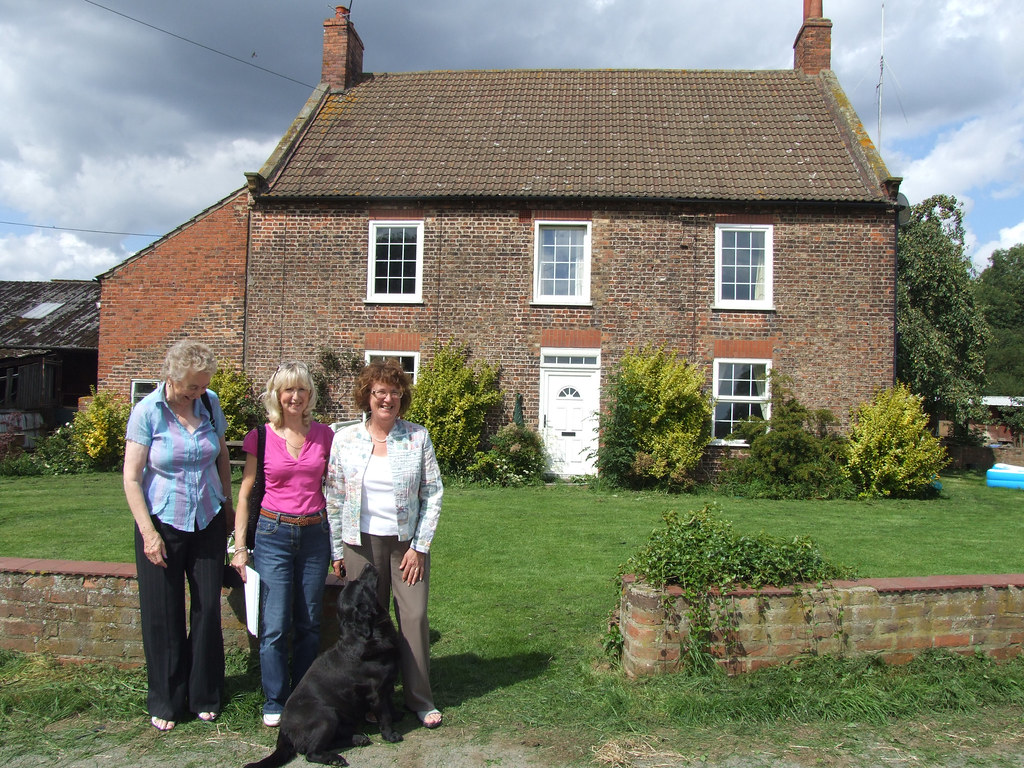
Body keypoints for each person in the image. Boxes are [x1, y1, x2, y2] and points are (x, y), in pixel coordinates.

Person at [326, 358, 444, 729]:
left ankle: (419, 699)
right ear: (368, 396)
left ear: (402, 397)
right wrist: (336, 550)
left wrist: (419, 546)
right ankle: (367, 702)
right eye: (380, 392)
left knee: (414, 617)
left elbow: (433, 493)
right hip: (359, 544)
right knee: (364, 625)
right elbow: (333, 495)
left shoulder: (416, 437)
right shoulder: (345, 439)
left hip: (405, 546)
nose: (387, 399)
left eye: (394, 392)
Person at [123, 339, 233, 732]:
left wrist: (227, 504)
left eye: (203, 385)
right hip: (162, 523)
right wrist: (148, 533)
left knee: (207, 609)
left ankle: (204, 694)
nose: (198, 392)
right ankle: (166, 701)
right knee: (162, 613)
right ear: (171, 377)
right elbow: (132, 479)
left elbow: (221, 454)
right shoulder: (146, 412)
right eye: (192, 386)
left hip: (207, 519)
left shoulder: (209, 403)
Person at [231, 361, 335, 728]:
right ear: (277, 395)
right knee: (274, 625)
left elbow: (337, 489)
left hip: (314, 535)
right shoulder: (260, 436)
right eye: (288, 390)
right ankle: (275, 699)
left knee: (308, 622)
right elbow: (245, 494)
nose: (295, 396)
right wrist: (239, 546)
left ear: (310, 395)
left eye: (302, 389)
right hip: (273, 535)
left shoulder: (325, 435)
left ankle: (303, 696)